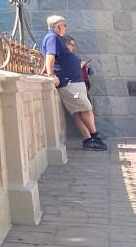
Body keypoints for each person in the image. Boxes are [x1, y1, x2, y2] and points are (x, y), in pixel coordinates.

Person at [41, 15, 106, 151]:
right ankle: (94, 136)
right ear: (58, 25)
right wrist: (51, 75)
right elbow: (50, 57)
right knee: (86, 109)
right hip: (70, 83)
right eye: (64, 25)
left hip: (72, 83)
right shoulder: (52, 37)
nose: (65, 28)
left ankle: (89, 140)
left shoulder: (55, 38)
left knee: (78, 112)